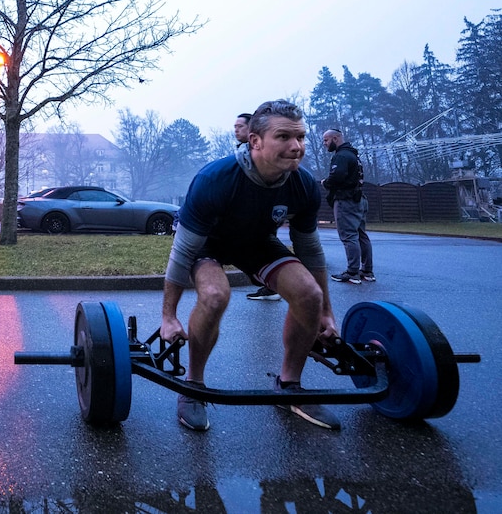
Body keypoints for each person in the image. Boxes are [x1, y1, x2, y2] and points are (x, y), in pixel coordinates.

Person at [160, 100, 340, 431]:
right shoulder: (215, 179)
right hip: (208, 244)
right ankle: (193, 386)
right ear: (255, 141)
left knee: (309, 295)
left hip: (256, 243)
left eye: (301, 137)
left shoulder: (302, 185)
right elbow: (182, 251)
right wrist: (168, 317)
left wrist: (326, 311)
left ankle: (289, 387)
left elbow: (310, 251)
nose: (296, 146)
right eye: (284, 137)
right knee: (215, 296)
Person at [322, 129, 374, 284]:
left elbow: (337, 176)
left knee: (349, 236)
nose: (324, 144)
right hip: (359, 199)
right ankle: (367, 271)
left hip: (346, 201)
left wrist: (325, 183)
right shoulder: (353, 155)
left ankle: (352, 272)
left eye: (326, 140)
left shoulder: (341, 156)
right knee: (361, 235)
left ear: (335, 138)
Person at [239, 112, 281, 302]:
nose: (236, 130)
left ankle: (271, 288)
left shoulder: (259, 154)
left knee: (266, 243)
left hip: (262, 209)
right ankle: (268, 285)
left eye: (240, 126)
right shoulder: (242, 152)